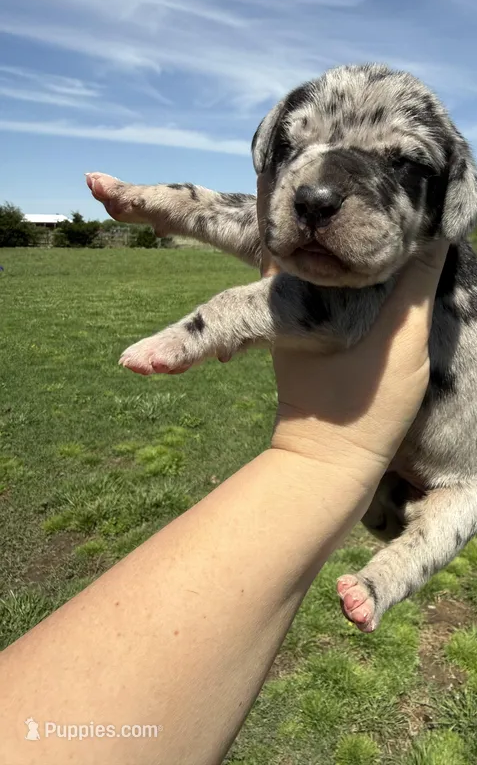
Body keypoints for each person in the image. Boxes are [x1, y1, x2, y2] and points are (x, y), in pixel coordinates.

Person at [0, 173, 448, 764]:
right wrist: (156, 202)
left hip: (451, 462)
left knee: (450, 509)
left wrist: (208, 330)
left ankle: (384, 580)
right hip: (377, 459)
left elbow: (314, 293)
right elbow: (257, 226)